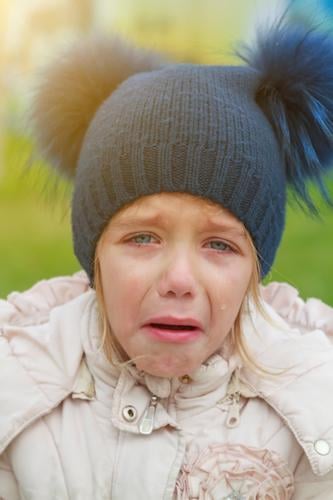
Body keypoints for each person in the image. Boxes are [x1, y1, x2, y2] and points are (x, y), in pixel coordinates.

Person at [1, 19, 333, 499]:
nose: (179, 279)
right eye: (142, 238)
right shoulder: (17, 388)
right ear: (92, 252)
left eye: (220, 245)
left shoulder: (313, 405)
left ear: (255, 269)